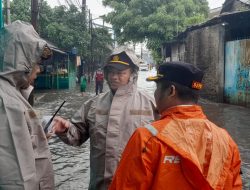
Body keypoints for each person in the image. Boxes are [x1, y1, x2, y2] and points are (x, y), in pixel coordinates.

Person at [109, 62, 242, 190]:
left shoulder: (147, 138)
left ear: (171, 91)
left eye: (157, 88)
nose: (155, 94)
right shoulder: (226, 140)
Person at [52, 47, 159, 190]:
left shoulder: (150, 104)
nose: (114, 77)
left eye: (120, 73)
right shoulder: (94, 104)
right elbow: (77, 135)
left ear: (132, 74)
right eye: (111, 72)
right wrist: (65, 129)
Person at [0, 20, 55, 189]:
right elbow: (17, 179)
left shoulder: (13, 94)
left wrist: (37, 138)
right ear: (22, 61)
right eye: (36, 62)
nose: (38, 69)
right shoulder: (6, 102)